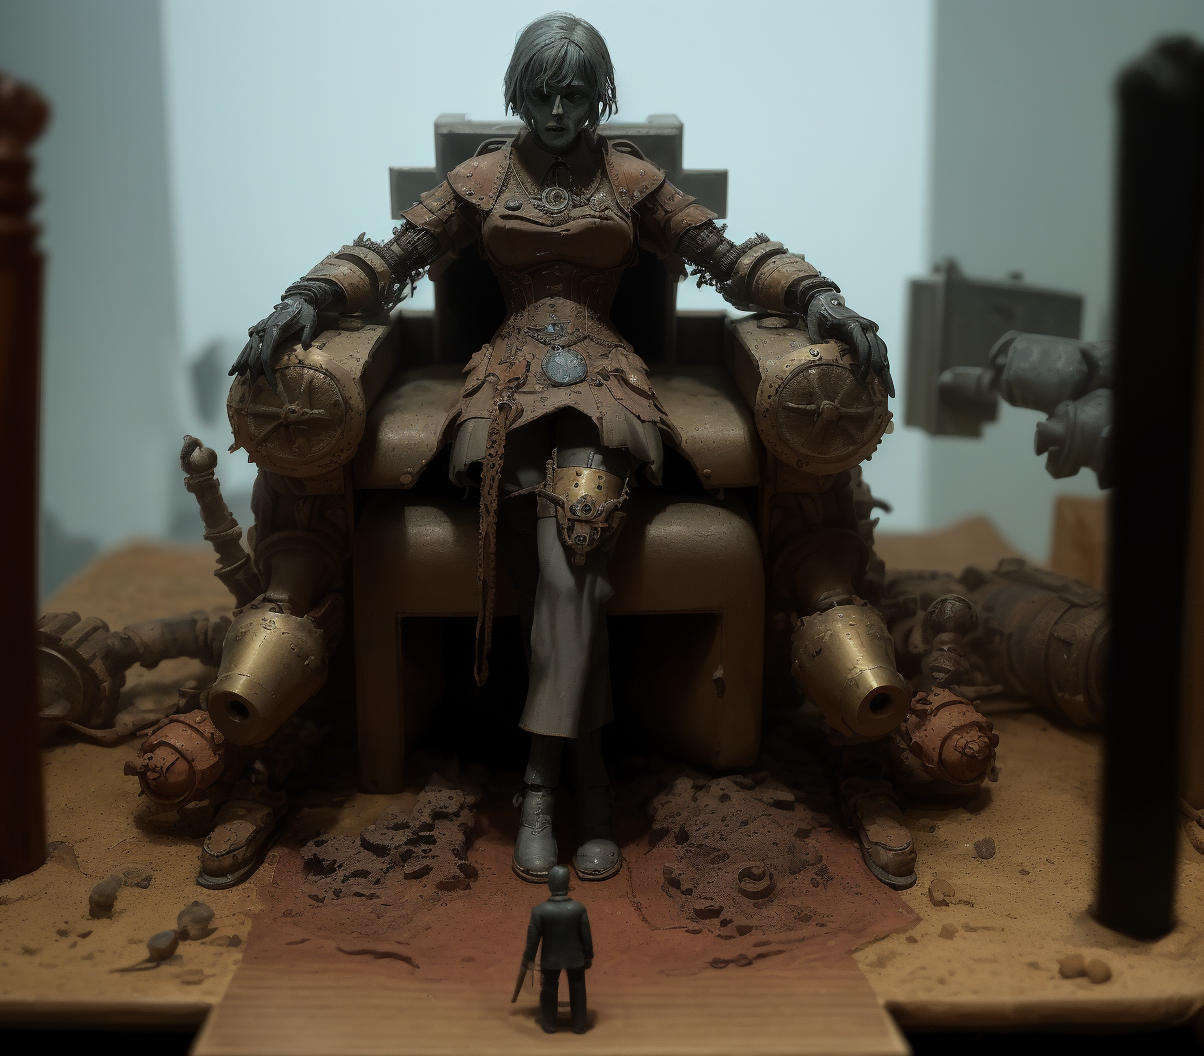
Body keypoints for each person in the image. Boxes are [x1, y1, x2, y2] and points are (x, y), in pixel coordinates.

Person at [230, 12, 893, 884]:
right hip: (505, 376)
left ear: (598, 95)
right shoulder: (482, 178)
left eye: (574, 93)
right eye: (541, 93)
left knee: (574, 545)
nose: (556, 110)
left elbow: (727, 256)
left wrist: (816, 296)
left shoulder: (629, 177)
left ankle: (546, 783)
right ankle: (587, 778)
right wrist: (307, 297)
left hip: (604, 374)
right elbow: (391, 255)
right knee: (549, 564)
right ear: (519, 91)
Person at [523, 863, 594, 1034]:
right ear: (567, 883)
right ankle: (579, 1024)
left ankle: (550, 1023)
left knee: (549, 988)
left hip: (551, 959)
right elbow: (586, 935)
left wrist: (528, 958)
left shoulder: (539, 911)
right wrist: (588, 954)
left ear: (550, 884)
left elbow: (533, 939)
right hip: (576, 957)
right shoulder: (578, 909)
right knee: (578, 988)